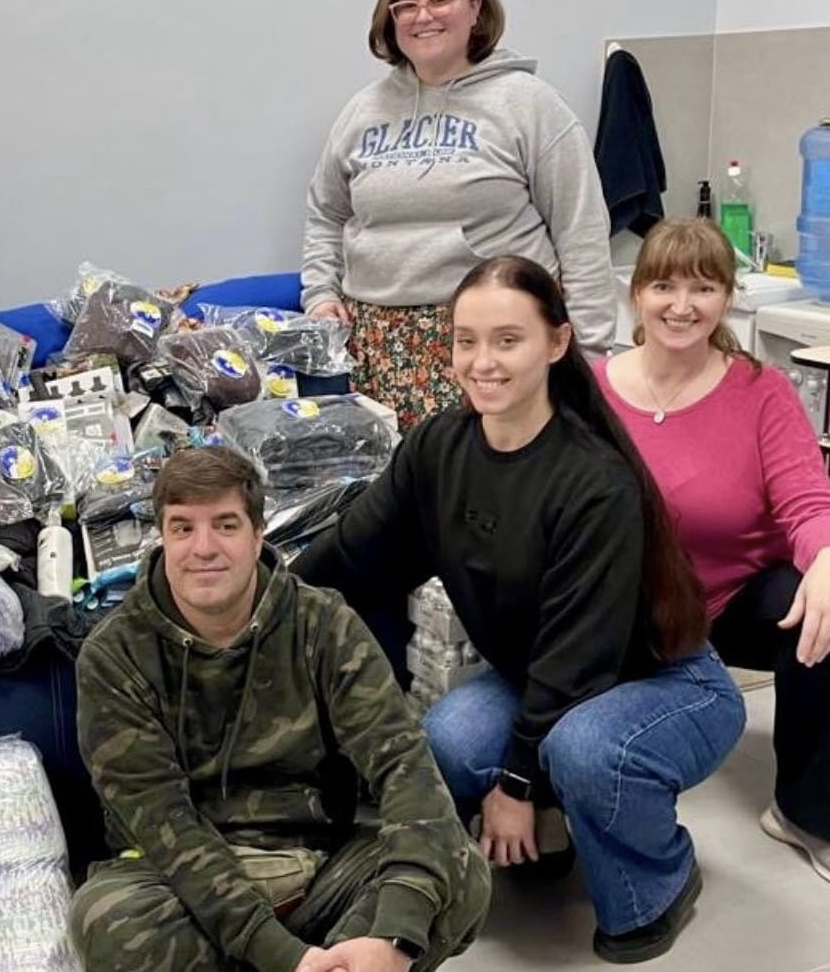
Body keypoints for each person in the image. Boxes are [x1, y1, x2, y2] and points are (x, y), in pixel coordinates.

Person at [298, 256, 743, 963]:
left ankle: (662, 880)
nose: (482, 362)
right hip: (545, 676)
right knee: (446, 735)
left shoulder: (594, 481)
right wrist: (258, 600)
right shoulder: (439, 446)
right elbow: (354, 554)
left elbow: (579, 656)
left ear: (557, 343)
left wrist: (514, 782)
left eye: (508, 339)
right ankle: (555, 832)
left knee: (584, 750)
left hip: (663, 682)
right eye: (466, 340)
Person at [69, 446, 490, 972]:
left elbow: (403, 766)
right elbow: (163, 824)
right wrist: (282, 955)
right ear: (162, 537)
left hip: (318, 867)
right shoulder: (115, 655)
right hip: (184, 884)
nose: (203, 548)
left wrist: (393, 935)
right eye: (182, 528)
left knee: (460, 870)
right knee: (109, 922)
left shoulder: (324, 625)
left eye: (225, 525)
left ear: (257, 535)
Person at [596, 216, 830, 883]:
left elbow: (808, 504)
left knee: (820, 604)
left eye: (703, 287)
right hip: (629, 605)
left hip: (732, 601)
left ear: (727, 298)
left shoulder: (762, 392)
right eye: (663, 284)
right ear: (636, 294)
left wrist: (828, 561)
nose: (681, 304)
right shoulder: (593, 389)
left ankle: (806, 811)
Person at [299, 0, 616, 430]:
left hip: (495, 348)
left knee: (494, 495)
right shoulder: (362, 111)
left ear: (475, 6)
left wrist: (589, 362)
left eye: (440, 0)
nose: (423, 16)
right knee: (403, 498)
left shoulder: (529, 104)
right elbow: (326, 213)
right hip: (378, 350)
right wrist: (320, 293)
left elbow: (582, 232)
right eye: (406, 5)